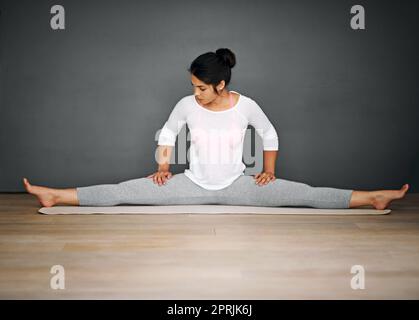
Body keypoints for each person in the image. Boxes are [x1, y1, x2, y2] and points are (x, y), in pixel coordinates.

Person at [23, 48, 409, 209]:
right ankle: (57, 196)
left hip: (239, 185)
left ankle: (373, 198)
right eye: (193, 85)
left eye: (202, 87)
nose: (196, 93)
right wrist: (162, 167)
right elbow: (167, 133)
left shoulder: (246, 105)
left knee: (305, 194)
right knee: (125, 191)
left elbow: (270, 134)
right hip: (190, 183)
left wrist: (269, 172)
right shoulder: (186, 105)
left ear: (220, 85)